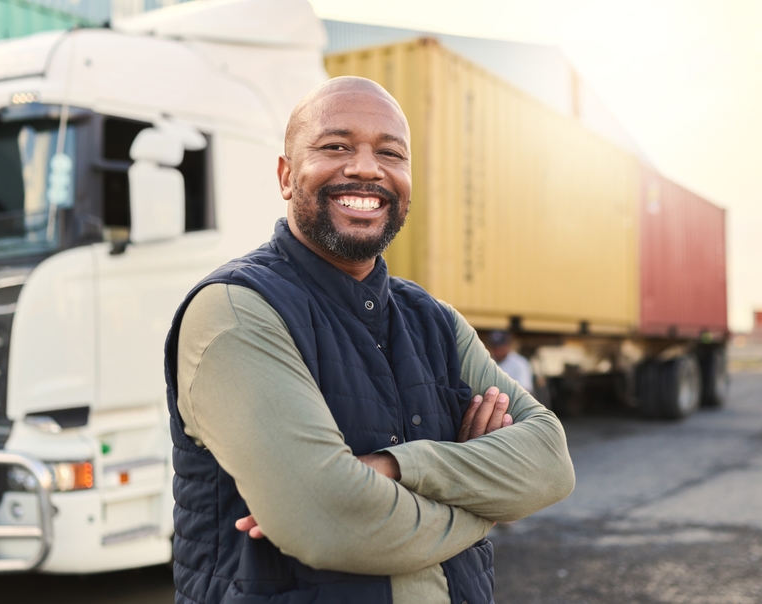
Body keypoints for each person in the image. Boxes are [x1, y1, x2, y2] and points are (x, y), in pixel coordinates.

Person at [163, 76, 575, 604]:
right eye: (335, 146)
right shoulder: (237, 310)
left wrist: (395, 468)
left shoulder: (435, 321)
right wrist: (488, 502)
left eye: (390, 153)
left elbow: (550, 462)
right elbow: (326, 519)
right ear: (287, 176)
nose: (365, 167)